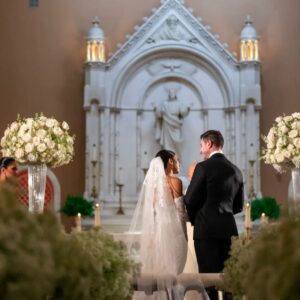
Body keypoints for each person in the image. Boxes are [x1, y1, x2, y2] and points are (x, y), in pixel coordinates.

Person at [129, 150, 207, 300]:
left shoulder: (152, 185)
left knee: (161, 275)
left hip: (159, 233)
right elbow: (180, 213)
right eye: (177, 160)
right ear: (170, 161)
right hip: (175, 233)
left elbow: (152, 213)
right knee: (175, 275)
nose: (179, 164)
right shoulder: (175, 181)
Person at [184, 130, 244, 300]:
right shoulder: (236, 170)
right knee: (228, 281)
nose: (200, 150)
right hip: (229, 231)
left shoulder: (203, 167)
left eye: (201, 145)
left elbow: (189, 199)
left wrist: (197, 218)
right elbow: (238, 206)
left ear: (209, 144)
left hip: (206, 232)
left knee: (208, 282)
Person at [155, 89, 190, 153]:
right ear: (169, 94)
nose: (172, 94)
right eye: (171, 93)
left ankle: (176, 157)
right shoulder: (164, 104)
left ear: (175, 94)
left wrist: (187, 109)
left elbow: (183, 112)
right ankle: (168, 156)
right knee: (167, 142)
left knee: (177, 141)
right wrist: (157, 110)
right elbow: (159, 114)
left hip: (176, 123)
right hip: (167, 123)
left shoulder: (179, 103)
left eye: (173, 93)